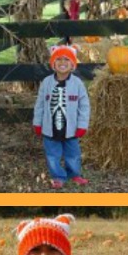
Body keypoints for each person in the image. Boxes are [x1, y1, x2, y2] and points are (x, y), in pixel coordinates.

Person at [33, 45, 90, 189]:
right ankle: (58, 176)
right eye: (58, 59)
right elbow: (39, 104)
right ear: (53, 64)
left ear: (72, 65)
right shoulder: (46, 82)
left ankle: (74, 174)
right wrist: (37, 123)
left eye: (67, 59)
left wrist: (82, 125)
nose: (62, 62)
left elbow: (84, 106)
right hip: (49, 128)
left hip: (71, 128)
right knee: (52, 154)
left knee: (73, 153)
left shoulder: (77, 83)